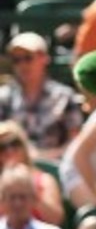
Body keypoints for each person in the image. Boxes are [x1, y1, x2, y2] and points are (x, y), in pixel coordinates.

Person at [0, 32, 84, 161]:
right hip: (12, 170)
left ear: (44, 58)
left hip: (54, 167)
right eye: (17, 60)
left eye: (28, 58)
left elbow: (75, 141)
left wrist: (44, 158)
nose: (22, 65)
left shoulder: (64, 96)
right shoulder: (4, 97)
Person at [0, 120, 65, 227]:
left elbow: (56, 218)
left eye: (14, 143)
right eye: (2, 147)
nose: (9, 150)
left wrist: (30, 190)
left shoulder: (44, 180)